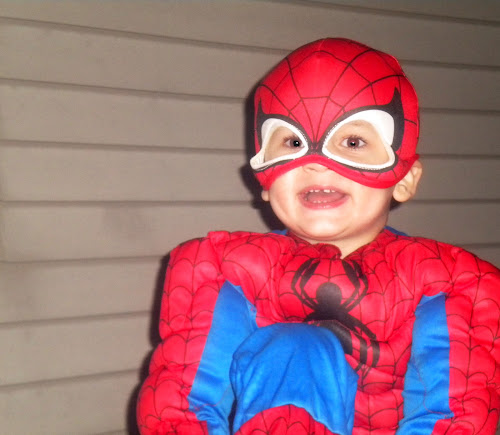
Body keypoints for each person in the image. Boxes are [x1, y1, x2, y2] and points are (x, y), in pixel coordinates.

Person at [136, 38, 500, 435]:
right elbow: (179, 402)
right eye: (293, 142)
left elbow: (457, 411)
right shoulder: (225, 271)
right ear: (264, 179)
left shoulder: (448, 280)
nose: (317, 164)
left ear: (404, 179)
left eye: (353, 142)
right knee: (295, 346)